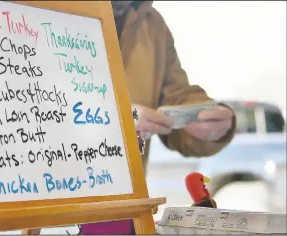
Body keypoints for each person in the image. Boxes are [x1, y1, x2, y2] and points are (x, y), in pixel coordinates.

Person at [81, 1, 237, 235]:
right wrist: (113, 117)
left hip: (124, 208)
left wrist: (212, 123)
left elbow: (176, 97)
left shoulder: (151, 24)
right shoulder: (44, 8)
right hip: (48, 203)